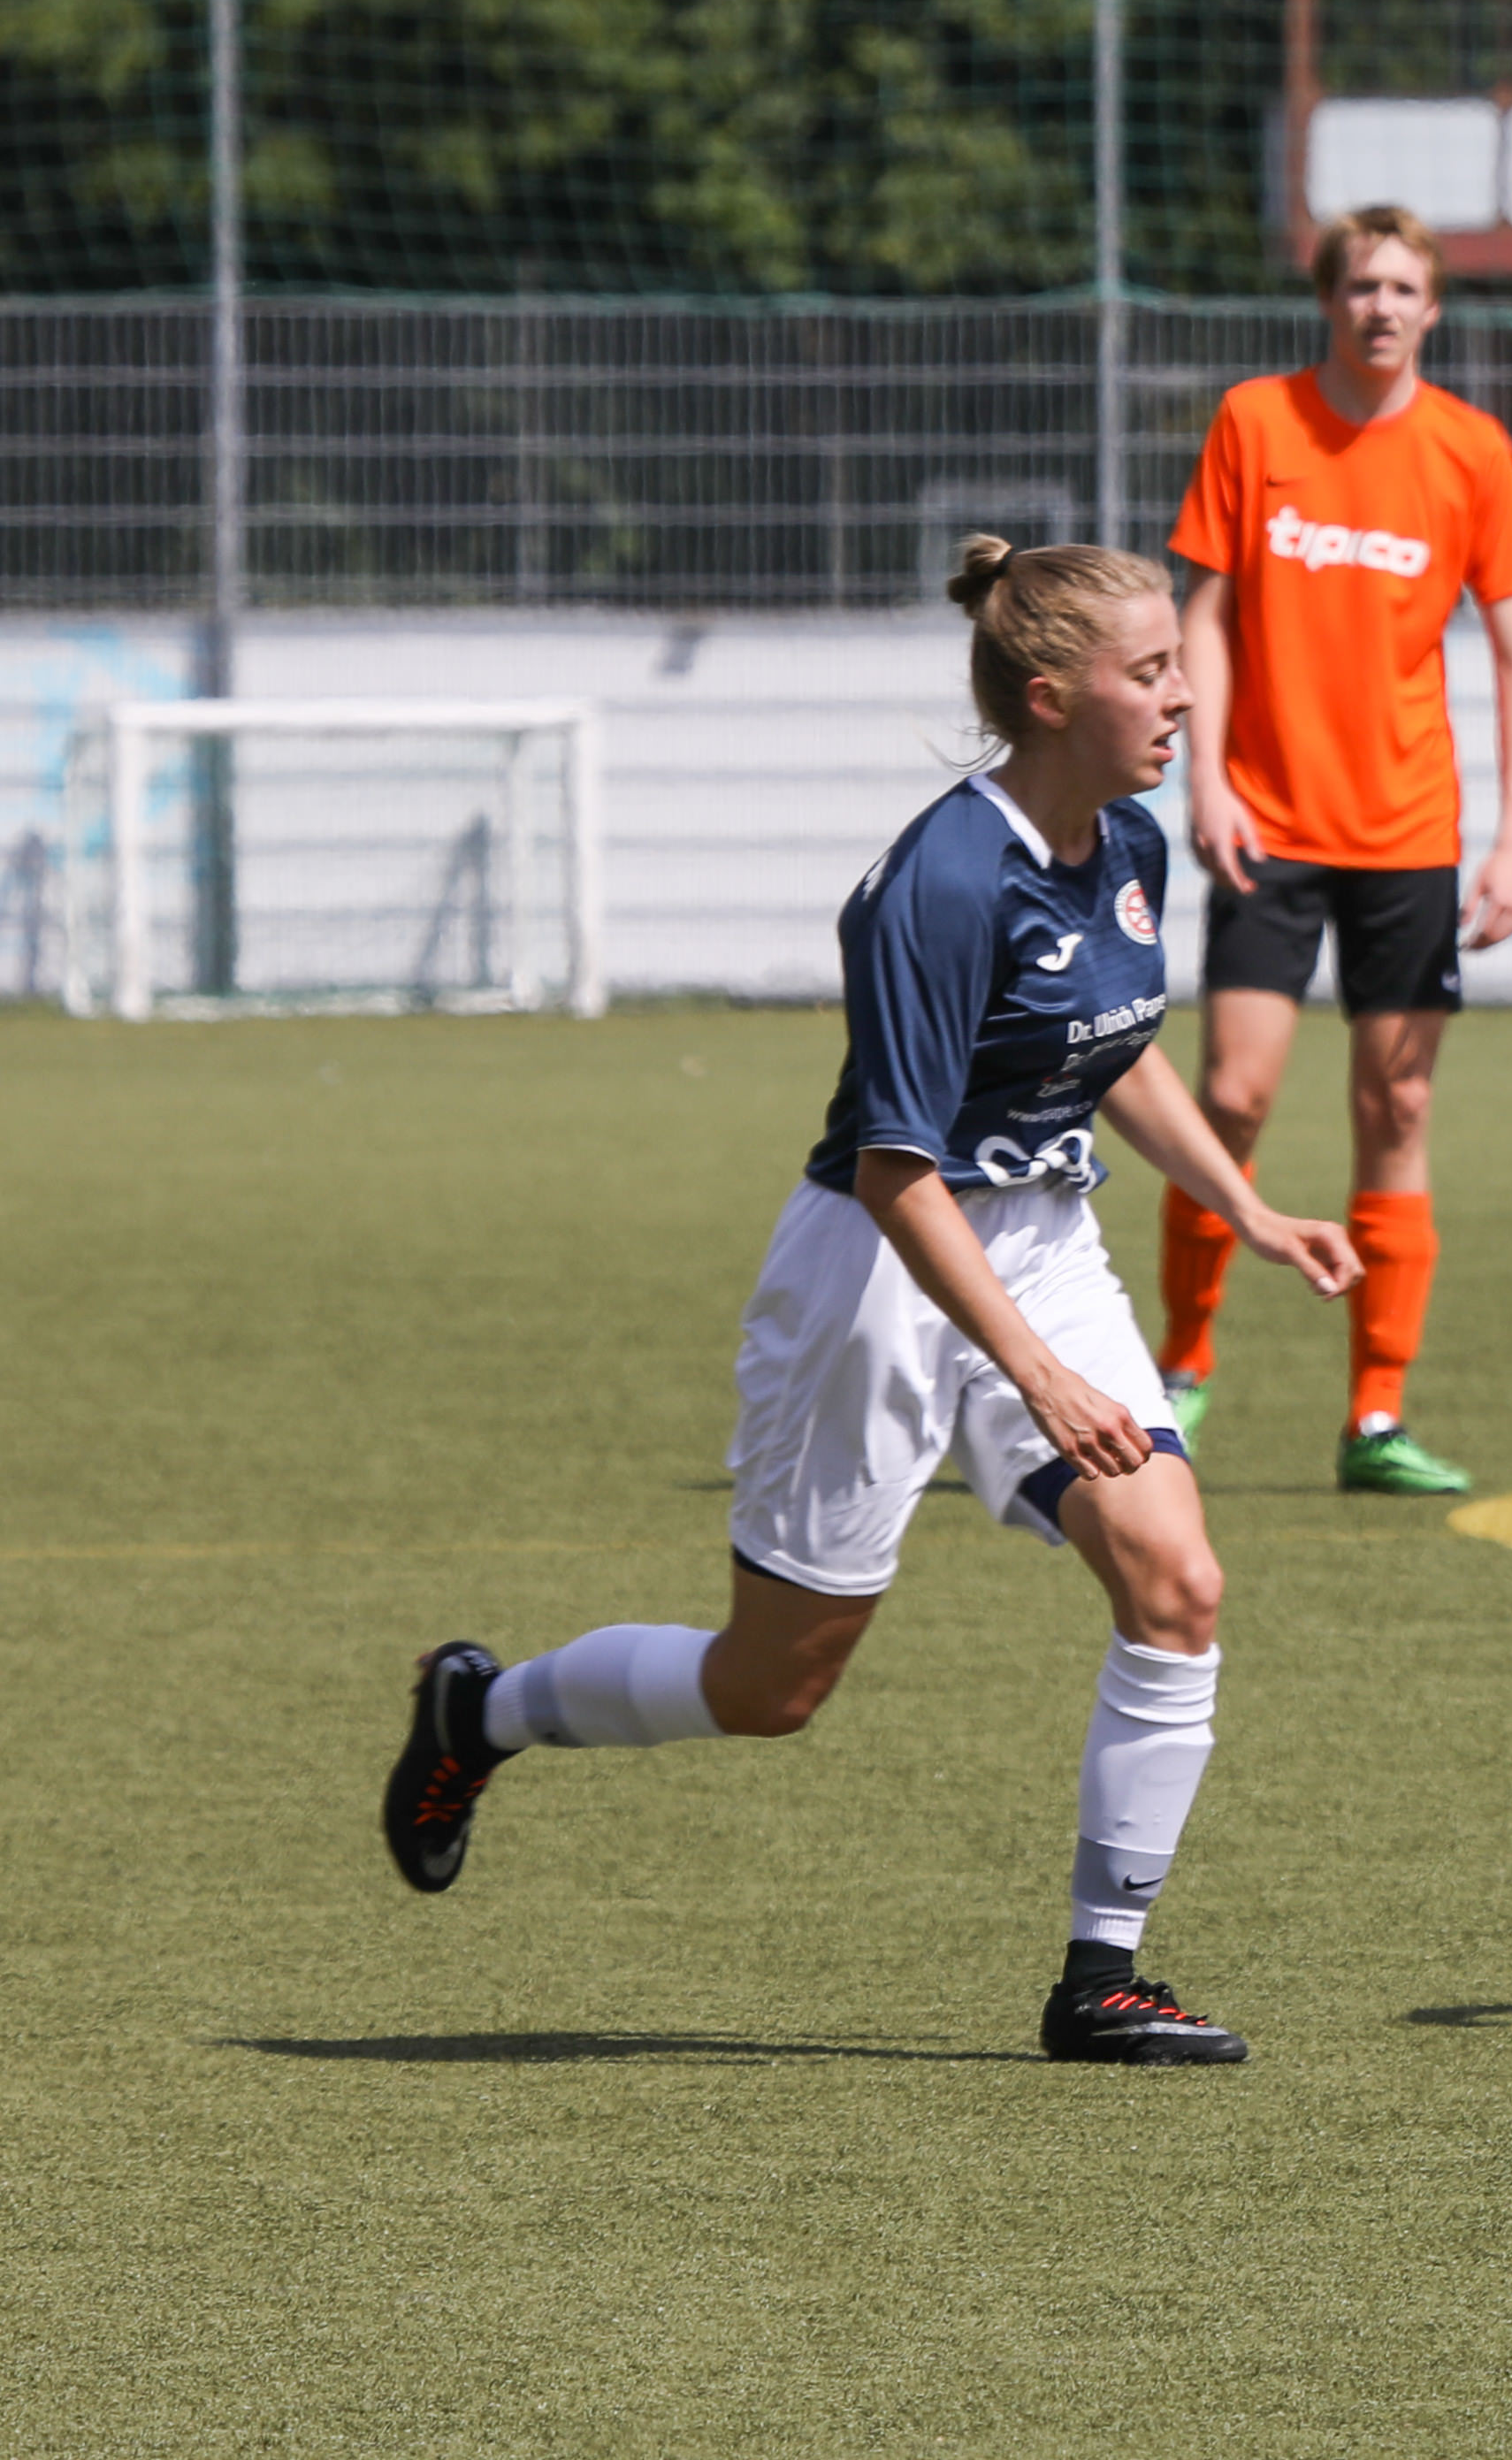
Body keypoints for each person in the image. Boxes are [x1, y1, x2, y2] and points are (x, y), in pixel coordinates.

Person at [378, 541, 1361, 2064]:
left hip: (1042, 1244)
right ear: (1051, 695)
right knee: (772, 1685)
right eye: (1153, 670)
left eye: (1181, 663)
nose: (1185, 695)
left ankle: (1102, 1976)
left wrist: (1248, 1205)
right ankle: (482, 1713)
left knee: (1178, 1581)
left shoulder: (1127, 839)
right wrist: (1036, 1376)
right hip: (877, 1275)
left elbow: (1113, 1049)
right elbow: (901, 1172)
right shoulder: (939, 883)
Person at [1155, 202, 1512, 1494]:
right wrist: (1207, 776)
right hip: (1267, 820)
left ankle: (1375, 1416)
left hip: (1407, 832)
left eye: (1403, 288)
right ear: (1327, 300)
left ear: (1432, 309)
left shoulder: (1471, 449)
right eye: (1361, 285)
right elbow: (1203, 613)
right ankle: (1181, 1367)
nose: (1381, 306)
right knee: (1233, 1095)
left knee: (1400, 1106)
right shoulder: (1255, 422)